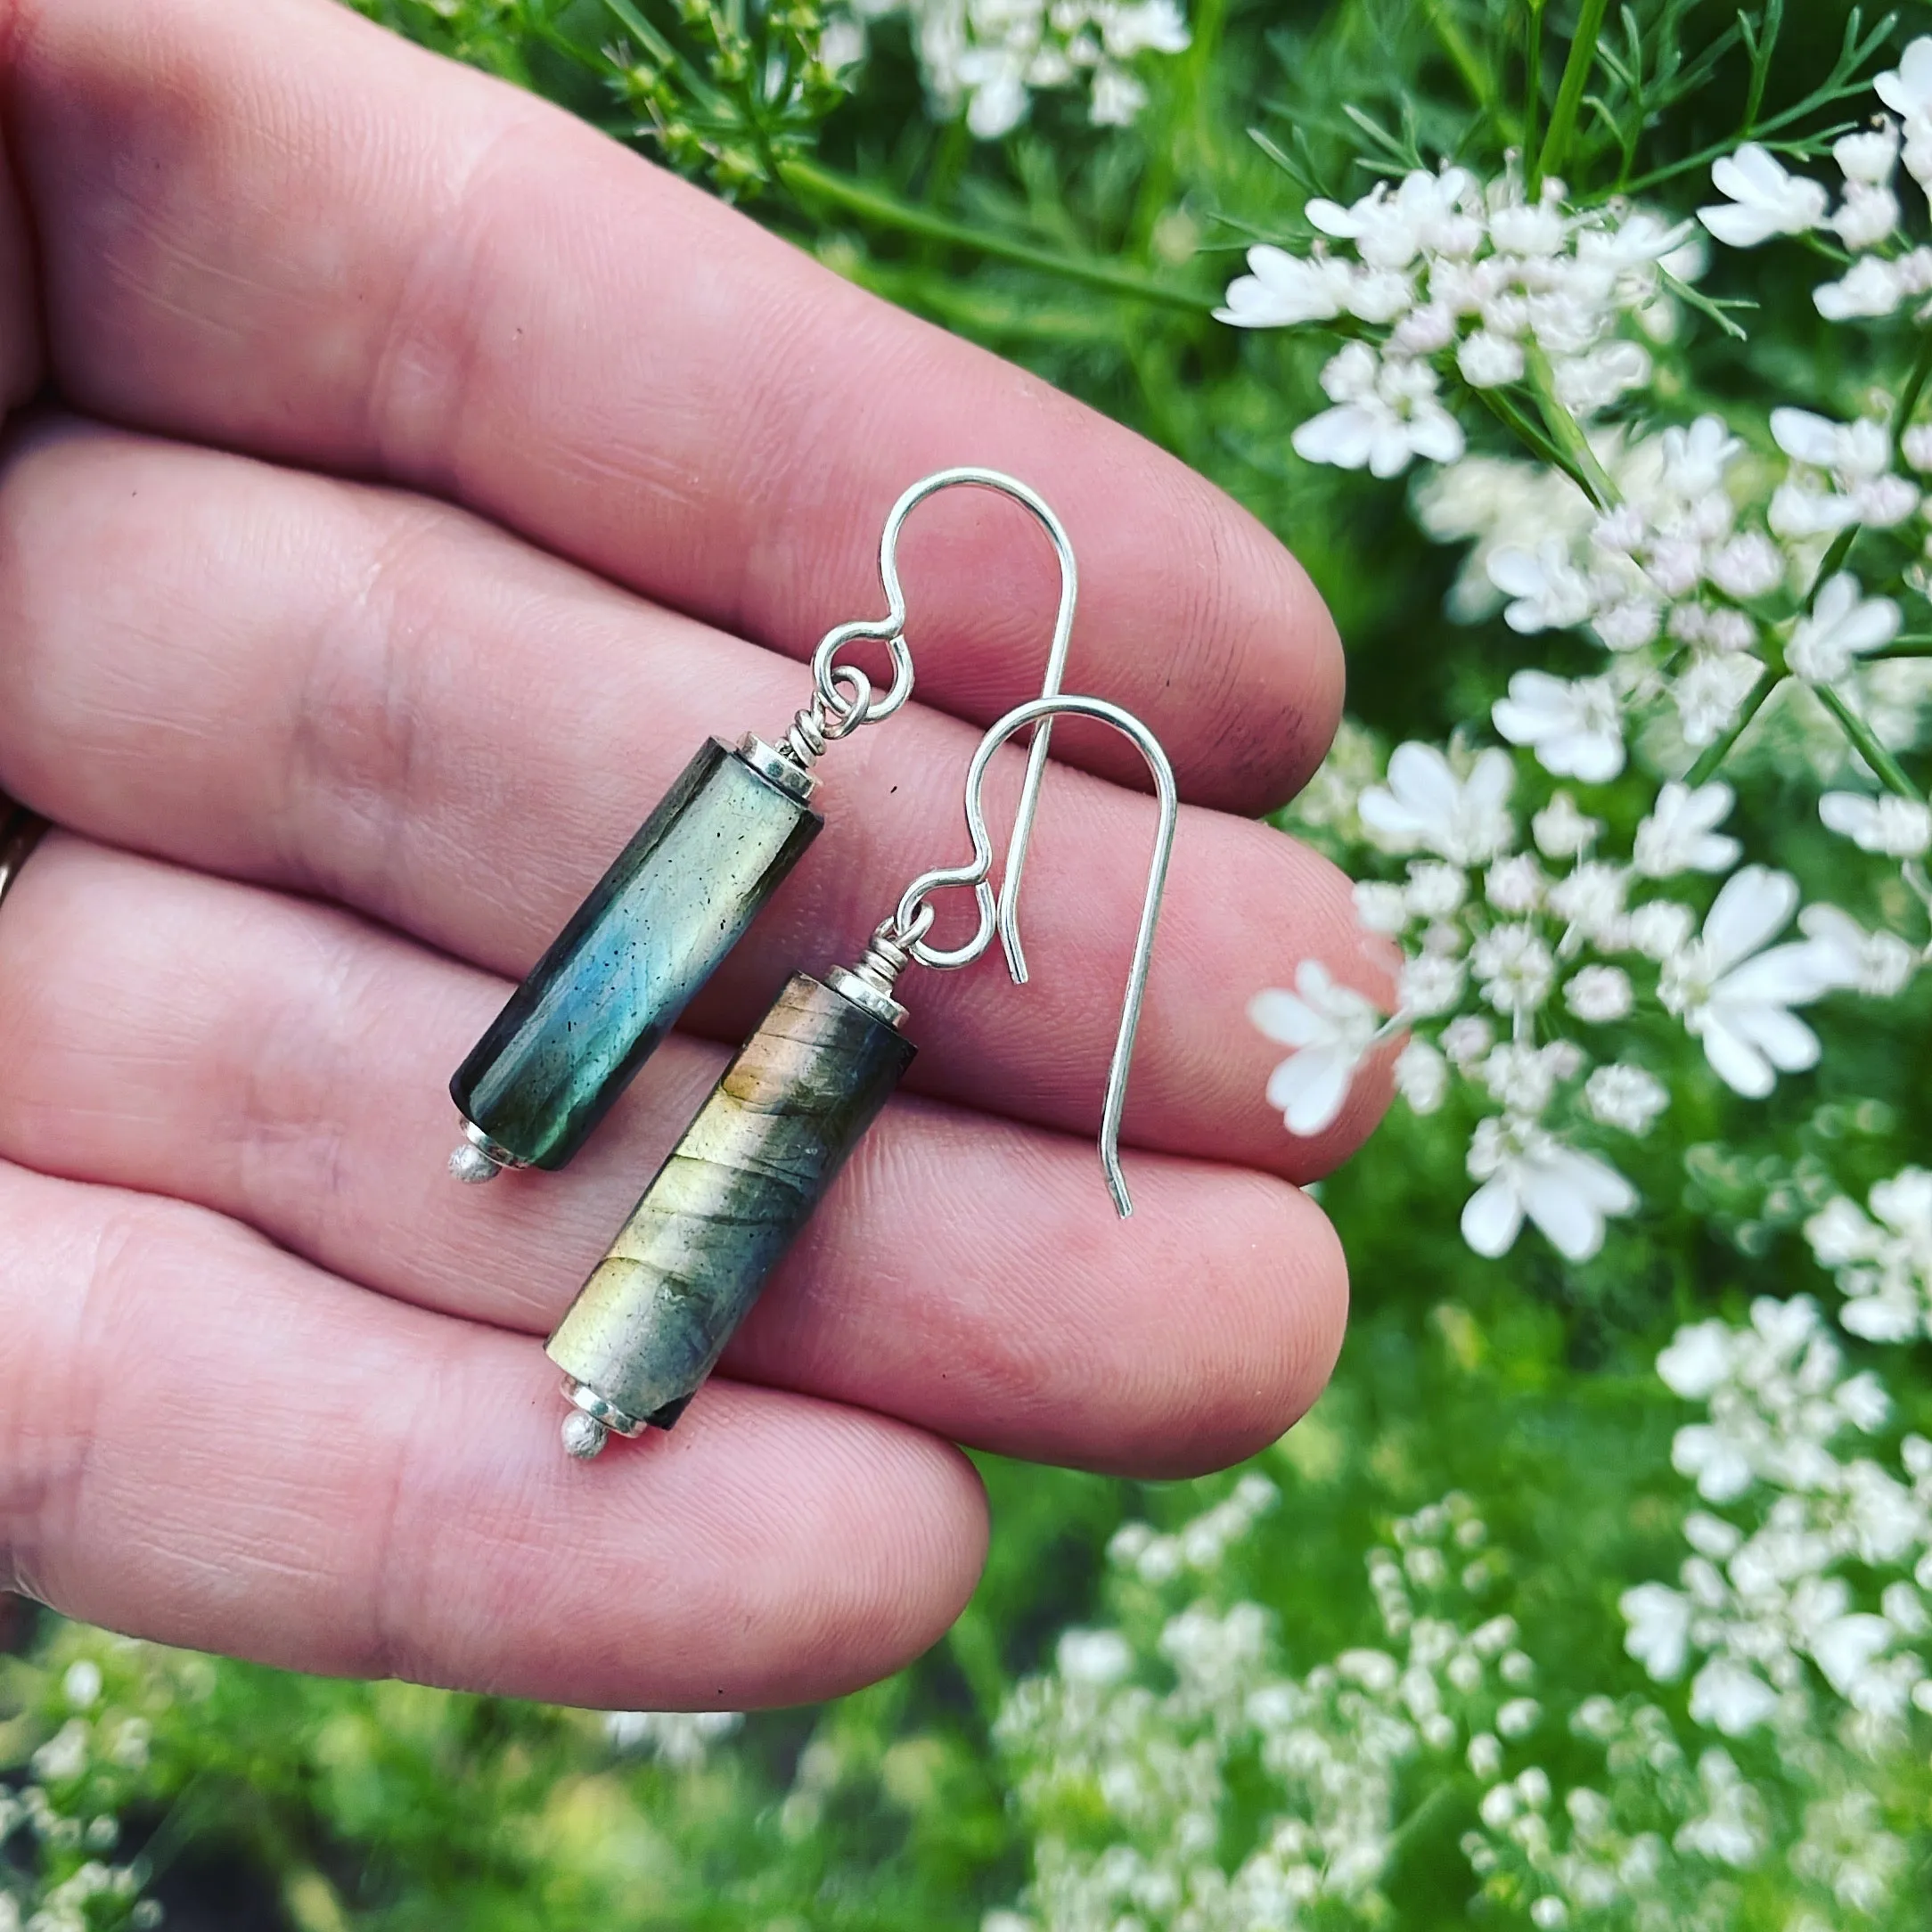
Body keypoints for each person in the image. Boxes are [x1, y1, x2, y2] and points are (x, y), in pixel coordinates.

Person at [0, 0, 1386, 1710]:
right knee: (680, 1033)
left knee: (799, 1075)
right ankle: (542, 1160)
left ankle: (585, 1289)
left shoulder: (824, 961)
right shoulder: (759, 813)